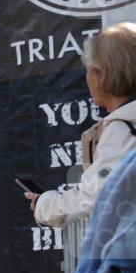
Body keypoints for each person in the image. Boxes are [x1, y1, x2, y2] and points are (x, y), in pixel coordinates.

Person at [26, 22, 136, 226]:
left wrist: (45, 204)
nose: (86, 78)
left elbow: (95, 198)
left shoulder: (124, 127)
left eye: (89, 70)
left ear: (102, 74)